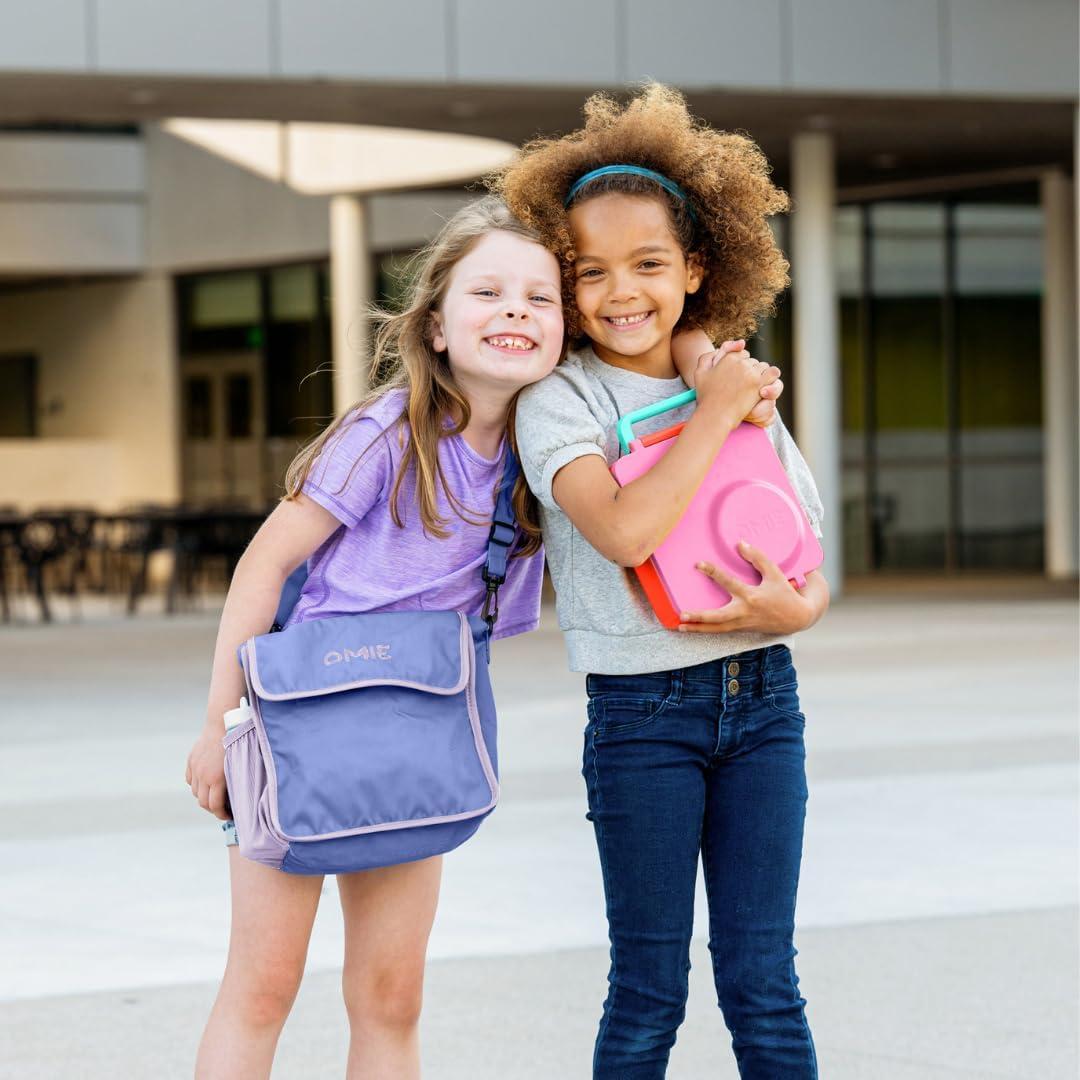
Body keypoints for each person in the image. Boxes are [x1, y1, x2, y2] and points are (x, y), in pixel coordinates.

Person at [183, 197, 566, 1080]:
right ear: (434, 327)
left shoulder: (537, 460)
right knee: (264, 986)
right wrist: (219, 724)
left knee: (392, 998)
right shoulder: (386, 431)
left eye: (539, 298)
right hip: (297, 734)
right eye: (489, 292)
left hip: (414, 738)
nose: (515, 310)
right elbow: (262, 566)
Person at [492, 84, 828, 1078]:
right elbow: (629, 533)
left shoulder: (725, 375)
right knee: (648, 987)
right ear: (563, 281)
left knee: (764, 978)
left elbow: (805, 553)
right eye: (588, 271)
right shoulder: (559, 399)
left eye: (647, 264)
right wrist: (714, 408)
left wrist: (797, 610)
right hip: (643, 719)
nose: (619, 291)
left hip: (766, 704)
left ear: (695, 269)